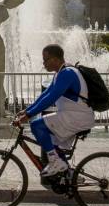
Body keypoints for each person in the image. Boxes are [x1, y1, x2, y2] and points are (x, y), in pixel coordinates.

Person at [14, 44, 95, 177]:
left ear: (56, 60)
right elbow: (46, 94)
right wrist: (27, 111)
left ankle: (55, 162)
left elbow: (51, 97)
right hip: (72, 115)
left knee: (36, 126)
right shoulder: (60, 73)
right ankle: (70, 174)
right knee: (50, 141)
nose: (43, 63)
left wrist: (29, 116)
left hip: (77, 117)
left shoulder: (67, 74)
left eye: (46, 59)